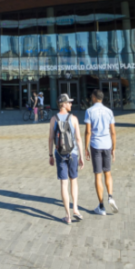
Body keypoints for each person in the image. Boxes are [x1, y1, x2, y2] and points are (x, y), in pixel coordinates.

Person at [49, 93, 84, 225]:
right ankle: (75, 208)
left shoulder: (53, 119)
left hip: (59, 154)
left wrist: (50, 155)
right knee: (73, 181)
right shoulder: (74, 118)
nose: (70, 104)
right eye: (68, 102)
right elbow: (79, 139)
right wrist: (81, 155)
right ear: (63, 104)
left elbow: (51, 138)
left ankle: (67, 216)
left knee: (64, 184)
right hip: (73, 153)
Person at [84, 90, 118, 216]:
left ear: (94, 97)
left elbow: (88, 132)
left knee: (98, 175)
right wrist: (114, 148)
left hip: (96, 145)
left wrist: (86, 148)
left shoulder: (89, 111)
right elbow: (113, 132)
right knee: (107, 173)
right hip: (107, 144)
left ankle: (101, 206)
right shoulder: (109, 111)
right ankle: (110, 196)